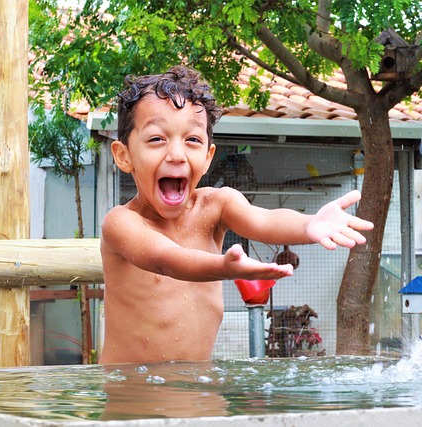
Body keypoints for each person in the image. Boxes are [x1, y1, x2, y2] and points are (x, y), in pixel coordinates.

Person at [99, 65, 374, 364]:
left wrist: (310, 224)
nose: (176, 154)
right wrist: (223, 267)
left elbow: (265, 220)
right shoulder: (121, 222)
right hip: (132, 398)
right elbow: (166, 259)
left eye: (192, 140)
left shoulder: (216, 206)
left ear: (207, 158)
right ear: (124, 155)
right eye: (156, 139)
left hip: (199, 395)